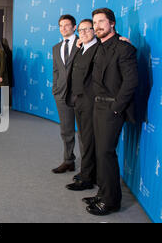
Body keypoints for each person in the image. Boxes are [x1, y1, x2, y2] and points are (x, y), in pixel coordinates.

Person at [84, 8, 139, 216]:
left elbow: (131, 81)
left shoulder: (124, 48)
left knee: (106, 153)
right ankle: (103, 193)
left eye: (101, 22)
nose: (97, 26)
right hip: (97, 107)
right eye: (95, 22)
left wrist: (116, 108)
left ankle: (111, 201)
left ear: (112, 23)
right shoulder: (98, 47)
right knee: (100, 153)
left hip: (112, 108)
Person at [64, 19, 99, 192]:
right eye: (81, 29)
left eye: (88, 29)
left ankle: (87, 178)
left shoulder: (98, 48)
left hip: (90, 102)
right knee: (85, 140)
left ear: (95, 30)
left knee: (89, 140)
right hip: (77, 101)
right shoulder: (81, 48)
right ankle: (88, 172)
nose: (84, 32)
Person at [51, 14, 80, 175]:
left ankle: (89, 168)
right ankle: (68, 161)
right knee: (66, 130)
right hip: (61, 95)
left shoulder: (83, 43)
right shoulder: (56, 47)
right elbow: (56, 70)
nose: (63, 28)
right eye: (61, 25)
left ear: (74, 27)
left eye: (67, 25)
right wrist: (55, 89)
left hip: (80, 95)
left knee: (84, 133)